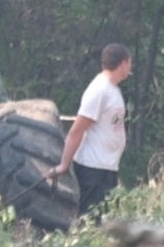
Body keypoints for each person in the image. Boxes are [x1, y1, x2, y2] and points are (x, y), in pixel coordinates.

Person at [47, 43, 132, 219]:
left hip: (107, 167)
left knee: (106, 220)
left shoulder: (112, 89)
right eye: (130, 63)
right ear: (123, 63)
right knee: (91, 221)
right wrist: (64, 165)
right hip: (93, 169)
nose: (130, 67)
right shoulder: (99, 90)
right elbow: (76, 131)